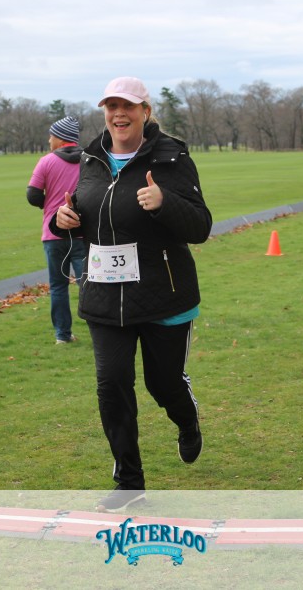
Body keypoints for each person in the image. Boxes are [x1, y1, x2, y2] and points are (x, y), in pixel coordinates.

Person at [52, 77, 212, 513]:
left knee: (163, 384)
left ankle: (186, 420)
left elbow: (200, 226)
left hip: (163, 295)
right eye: (111, 106)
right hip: (105, 296)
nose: (118, 114)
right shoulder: (91, 158)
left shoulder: (171, 157)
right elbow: (88, 213)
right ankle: (129, 483)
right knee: (112, 385)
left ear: (145, 111)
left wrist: (164, 203)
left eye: (128, 106)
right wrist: (64, 220)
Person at [27, 116, 87, 344]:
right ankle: (101, 329)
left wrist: (50, 203)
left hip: (53, 235)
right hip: (82, 233)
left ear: (61, 139)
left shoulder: (46, 161)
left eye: (51, 136)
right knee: (89, 284)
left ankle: (62, 335)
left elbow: (33, 195)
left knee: (58, 287)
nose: (49, 140)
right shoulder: (88, 160)